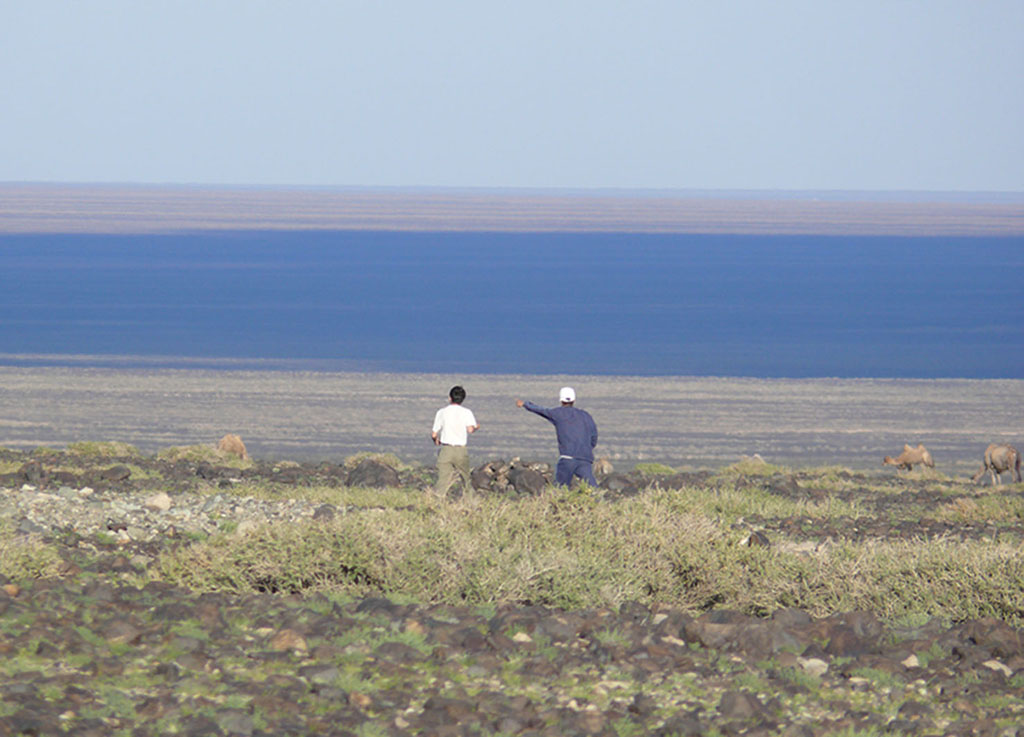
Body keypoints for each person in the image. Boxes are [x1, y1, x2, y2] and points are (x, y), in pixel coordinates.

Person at [516, 386, 598, 487]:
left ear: (561, 400)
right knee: (592, 487)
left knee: (560, 488)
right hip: (585, 458)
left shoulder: (558, 413)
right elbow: (594, 437)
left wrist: (525, 404)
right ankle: (600, 501)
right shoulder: (586, 416)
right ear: (574, 400)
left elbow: (541, 410)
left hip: (568, 457)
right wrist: (586, 448)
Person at [431, 385, 479, 498]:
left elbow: (433, 434)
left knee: (442, 480)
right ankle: (471, 502)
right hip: (460, 450)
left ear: (450, 398)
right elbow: (470, 430)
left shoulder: (442, 412)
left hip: (446, 449)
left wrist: (436, 441)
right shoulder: (467, 412)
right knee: (465, 479)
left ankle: (437, 503)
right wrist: (477, 427)